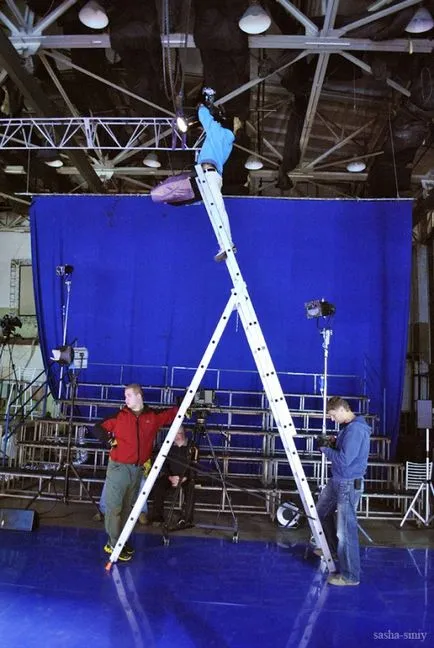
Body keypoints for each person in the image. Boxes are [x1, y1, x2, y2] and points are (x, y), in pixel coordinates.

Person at [94, 383, 178, 561]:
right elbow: (98, 427)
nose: (125, 399)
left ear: (139, 396)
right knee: (114, 507)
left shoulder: (152, 416)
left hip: (137, 469)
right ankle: (113, 543)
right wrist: (108, 440)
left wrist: (183, 408)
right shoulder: (120, 416)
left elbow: (170, 415)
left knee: (127, 508)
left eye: (129, 395)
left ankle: (120, 541)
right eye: (125, 396)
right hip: (118, 468)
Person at [315, 396, 371, 586]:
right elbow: (346, 453)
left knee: (345, 531)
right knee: (321, 512)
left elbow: (344, 460)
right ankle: (330, 550)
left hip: (347, 482)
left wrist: (325, 449)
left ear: (341, 410)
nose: (332, 419)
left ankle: (350, 576)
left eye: (332, 415)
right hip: (339, 479)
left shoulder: (355, 430)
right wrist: (333, 443)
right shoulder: (349, 428)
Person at [196, 93, 241, 262]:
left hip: (209, 174)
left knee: (217, 209)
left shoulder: (216, 130)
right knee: (216, 209)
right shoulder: (229, 140)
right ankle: (225, 243)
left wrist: (202, 105)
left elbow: (203, 116)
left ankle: (227, 244)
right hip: (213, 175)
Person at [148, 426, 197, 529]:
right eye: (175, 433)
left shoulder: (192, 446)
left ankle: (187, 519)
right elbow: (164, 464)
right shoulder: (168, 446)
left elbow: (194, 466)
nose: (177, 436)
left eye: (179, 433)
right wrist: (170, 477)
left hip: (186, 477)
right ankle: (157, 517)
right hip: (171, 476)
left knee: (191, 488)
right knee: (159, 485)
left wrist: (185, 478)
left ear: (184, 433)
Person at [95, 459, 151, 525]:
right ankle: (104, 510)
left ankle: (142, 511)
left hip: (138, 465)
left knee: (142, 482)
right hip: (121, 464)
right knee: (110, 480)